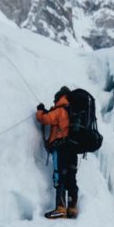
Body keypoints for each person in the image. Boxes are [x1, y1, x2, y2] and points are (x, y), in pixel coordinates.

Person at [36, 86, 79, 219]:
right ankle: (72, 208)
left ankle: (60, 208)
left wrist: (40, 111)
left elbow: (45, 119)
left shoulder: (60, 111)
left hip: (61, 148)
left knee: (59, 175)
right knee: (71, 177)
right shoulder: (74, 112)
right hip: (73, 149)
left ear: (60, 97)